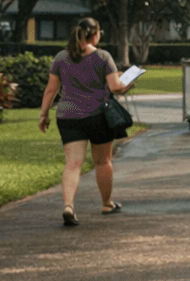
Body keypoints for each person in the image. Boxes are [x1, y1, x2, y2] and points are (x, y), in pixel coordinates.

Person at [37, 17, 135, 226]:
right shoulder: (102, 57)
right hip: (97, 116)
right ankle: (107, 203)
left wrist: (44, 115)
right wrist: (129, 82)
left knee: (73, 163)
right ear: (95, 35)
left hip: (68, 117)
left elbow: (51, 89)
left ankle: (68, 206)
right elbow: (116, 87)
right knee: (102, 161)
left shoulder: (61, 57)